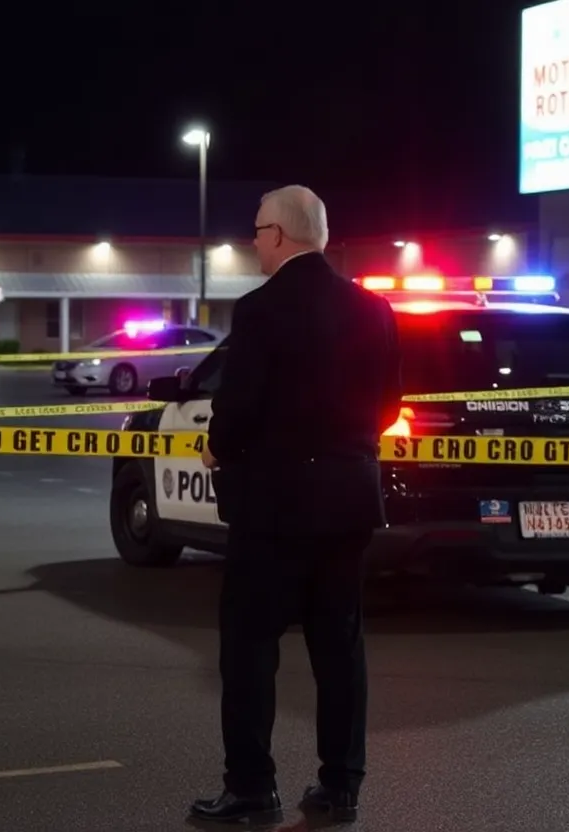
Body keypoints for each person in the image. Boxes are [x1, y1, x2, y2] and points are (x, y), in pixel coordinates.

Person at [189, 185, 402, 826]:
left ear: (278, 235)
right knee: (339, 647)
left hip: (273, 506)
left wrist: (218, 447)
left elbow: (239, 404)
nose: (254, 242)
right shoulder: (374, 308)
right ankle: (341, 786)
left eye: (257, 232)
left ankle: (253, 789)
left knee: (250, 648)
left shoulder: (261, 308)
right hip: (347, 501)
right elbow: (388, 405)